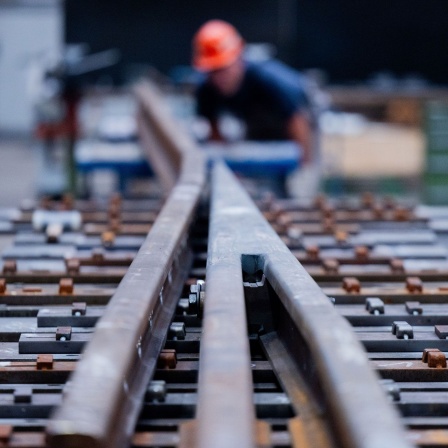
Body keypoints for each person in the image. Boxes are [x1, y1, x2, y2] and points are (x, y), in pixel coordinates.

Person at [192, 19, 316, 167]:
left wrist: (303, 165)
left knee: (301, 176)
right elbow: (214, 133)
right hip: (257, 122)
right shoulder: (206, 88)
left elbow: (297, 120)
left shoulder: (268, 79)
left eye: (223, 69)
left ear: (238, 58)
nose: (219, 78)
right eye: (213, 71)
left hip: (302, 118)